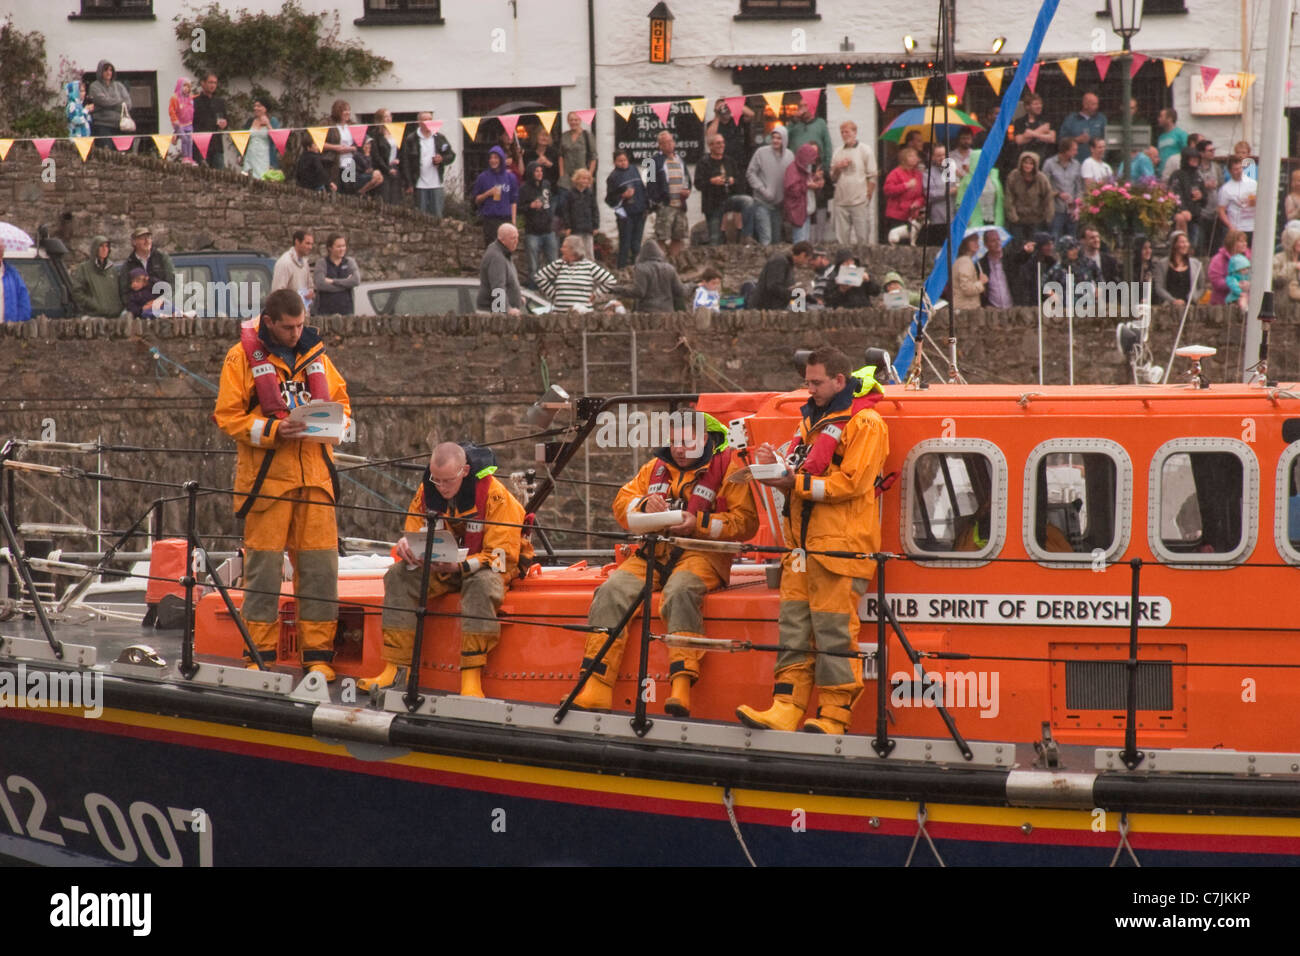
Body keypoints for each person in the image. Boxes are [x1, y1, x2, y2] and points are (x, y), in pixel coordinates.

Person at [736, 350, 889, 735]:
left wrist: (794, 482)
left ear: (840, 380)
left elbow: (852, 483)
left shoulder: (866, 423)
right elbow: (806, 467)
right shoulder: (814, 422)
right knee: (793, 631)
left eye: (816, 382)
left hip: (839, 550)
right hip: (802, 551)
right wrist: (776, 464)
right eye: (807, 382)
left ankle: (835, 716)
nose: (810, 389)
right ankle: (786, 706)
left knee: (835, 632)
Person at [568, 414, 758, 717]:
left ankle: (681, 687)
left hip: (703, 553)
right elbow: (621, 503)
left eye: (686, 442)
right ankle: (597, 686)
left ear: (705, 440)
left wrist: (699, 522)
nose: (679, 449)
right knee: (611, 591)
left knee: (681, 590)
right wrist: (645, 504)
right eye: (674, 441)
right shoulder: (654, 469)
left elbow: (745, 523)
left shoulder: (730, 469)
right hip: (655, 551)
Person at [212, 288, 351, 679]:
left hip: (316, 481)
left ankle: (318, 655)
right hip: (268, 484)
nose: (295, 333)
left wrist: (336, 424)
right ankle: (260, 656)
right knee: (264, 572)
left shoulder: (317, 356)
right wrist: (275, 429)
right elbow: (228, 417)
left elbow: (343, 403)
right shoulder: (241, 358)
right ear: (269, 323)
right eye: (288, 327)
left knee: (321, 570)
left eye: (300, 325)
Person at [358, 441, 533, 697]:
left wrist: (460, 565)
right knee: (398, 576)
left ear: (464, 471)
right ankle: (396, 670)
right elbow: (413, 528)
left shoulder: (496, 497)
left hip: (485, 565)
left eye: (447, 481)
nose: (441, 487)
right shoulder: (426, 491)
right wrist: (406, 545)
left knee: (482, 586)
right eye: (436, 480)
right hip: (442, 564)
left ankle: (471, 680)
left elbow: (501, 557)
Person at [786, 103, 834, 241]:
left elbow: (828, 146)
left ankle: (818, 240)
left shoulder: (820, 123)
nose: (802, 108)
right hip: (799, 169)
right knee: (803, 207)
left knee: (819, 204)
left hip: (817, 167)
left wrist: (825, 169)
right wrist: (793, 120)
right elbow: (782, 137)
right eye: (800, 106)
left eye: (805, 105)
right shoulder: (794, 125)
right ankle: (806, 241)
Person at [534, 235, 616, 311]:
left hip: (583, 315)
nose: (561, 249)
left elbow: (610, 280)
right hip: (560, 315)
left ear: (573, 250)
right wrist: (554, 295)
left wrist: (595, 295)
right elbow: (539, 277)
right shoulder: (559, 264)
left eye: (564, 247)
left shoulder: (589, 266)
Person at [401, 112, 456, 219]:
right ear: (419, 122)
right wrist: (408, 183)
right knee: (420, 218)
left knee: (437, 217)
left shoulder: (439, 137)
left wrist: (442, 159)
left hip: (436, 184)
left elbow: (451, 155)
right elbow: (405, 163)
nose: (428, 122)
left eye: (430, 119)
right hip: (419, 184)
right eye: (425, 120)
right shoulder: (411, 139)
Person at [829, 121, 876, 245]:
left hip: (859, 200)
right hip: (841, 201)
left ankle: (864, 262)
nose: (844, 135)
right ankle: (844, 263)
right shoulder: (838, 152)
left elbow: (872, 176)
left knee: (862, 237)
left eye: (847, 132)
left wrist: (868, 195)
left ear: (855, 132)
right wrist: (838, 167)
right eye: (842, 132)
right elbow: (833, 178)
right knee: (842, 239)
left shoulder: (865, 150)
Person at [647, 131, 692, 258]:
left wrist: (687, 190)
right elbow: (649, 185)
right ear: (660, 145)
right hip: (665, 205)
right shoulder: (651, 161)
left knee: (678, 236)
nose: (669, 145)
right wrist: (658, 202)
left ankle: (674, 262)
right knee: (662, 236)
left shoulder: (680, 159)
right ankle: (661, 262)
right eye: (665, 143)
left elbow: (687, 178)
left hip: (680, 205)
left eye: (671, 141)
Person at [747, 124, 793, 246]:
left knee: (777, 240)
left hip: (779, 205)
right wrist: (762, 189)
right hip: (762, 202)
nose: (775, 141)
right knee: (766, 238)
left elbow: (792, 178)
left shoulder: (790, 156)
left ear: (785, 140)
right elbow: (750, 173)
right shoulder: (761, 152)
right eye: (773, 137)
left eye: (779, 138)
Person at [610, 239, 687, 313]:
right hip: (667, 313)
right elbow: (680, 291)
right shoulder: (670, 268)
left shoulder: (641, 269)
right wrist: (693, 286)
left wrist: (617, 289)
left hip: (647, 313)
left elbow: (639, 292)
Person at [605, 149, 648, 268]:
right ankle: (622, 269)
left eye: (624, 160)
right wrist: (622, 196)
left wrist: (646, 207)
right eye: (619, 161)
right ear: (615, 162)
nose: (623, 163)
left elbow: (642, 189)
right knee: (625, 244)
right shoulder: (613, 177)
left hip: (639, 212)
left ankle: (637, 268)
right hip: (625, 214)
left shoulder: (634, 169)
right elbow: (609, 200)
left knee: (637, 244)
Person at [696, 133, 740, 247]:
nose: (722, 145)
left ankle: (746, 236)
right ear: (710, 146)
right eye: (718, 143)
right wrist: (711, 181)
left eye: (723, 142)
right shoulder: (704, 162)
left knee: (748, 202)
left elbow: (740, 180)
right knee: (715, 238)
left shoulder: (729, 161)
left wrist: (732, 180)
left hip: (729, 199)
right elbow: (698, 184)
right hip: (713, 203)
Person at [520, 160, 559, 286]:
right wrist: (530, 206)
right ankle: (533, 288)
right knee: (533, 264)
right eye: (537, 171)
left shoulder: (546, 185)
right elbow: (519, 207)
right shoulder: (524, 188)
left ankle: (553, 288)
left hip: (548, 229)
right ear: (531, 172)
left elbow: (551, 201)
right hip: (532, 231)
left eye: (541, 171)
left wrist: (551, 217)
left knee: (553, 262)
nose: (539, 173)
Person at [744, 240, 814, 310]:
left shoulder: (788, 265)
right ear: (802, 254)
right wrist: (795, 295)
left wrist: (804, 296)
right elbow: (773, 286)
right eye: (807, 259)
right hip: (764, 308)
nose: (806, 263)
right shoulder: (779, 261)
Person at [117, 226, 175, 307]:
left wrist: (160, 301)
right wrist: (139, 307)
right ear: (134, 242)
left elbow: (172, 284)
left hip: (162, 306)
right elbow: (124, 293)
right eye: (142, 238)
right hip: (138, 310)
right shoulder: (128, 265)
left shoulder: (162, 259)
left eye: (149, 238)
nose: (147, 241)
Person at [473, 145, 520, 245]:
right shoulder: (483, 177)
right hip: (490, 219)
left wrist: (513, 222)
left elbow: (513, 201)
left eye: (496, 157)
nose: (493, 160)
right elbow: (476, 200)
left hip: (506, 218)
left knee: (507, 250)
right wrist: (487, 193)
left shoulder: (510, 177)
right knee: (492, 250)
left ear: (501, 159)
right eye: (491, 158)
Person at [1004, 151, 1054, 244]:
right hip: (1018, 219)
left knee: (1034, 245)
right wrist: (1013, 217)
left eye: (1031, 163)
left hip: (1036, 219)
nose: (1028, 165)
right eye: (1025, 162)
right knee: (1018, 246)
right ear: (1020, 163)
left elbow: (1048, 198)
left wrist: (1048, 217)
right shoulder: (1013, 176)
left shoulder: (1041, 178)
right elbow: (1009, 197)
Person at [70, 235, 124, 318]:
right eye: (101, 246)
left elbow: (120, 290)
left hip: (114, 316)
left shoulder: (112, 269)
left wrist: (119, 306)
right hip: (94, 317)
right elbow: (77, 292)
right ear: (95, 248)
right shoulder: (84, 268)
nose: (104, 249)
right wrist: (93, 304)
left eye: (106, 246)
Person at [476, 223, 523, 315]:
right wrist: (507, 309)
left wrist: (516, 297)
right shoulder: (496, 257)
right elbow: (498, 287)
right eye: (513, 238)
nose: (516, 241)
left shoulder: (504, 253)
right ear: (502, 239)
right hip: (491, 314)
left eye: (517, 238)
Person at [783, 143, 824, 244]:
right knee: (800, 241)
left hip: (806, 211)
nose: (813, 162)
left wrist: (815, 179)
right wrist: (808, 186)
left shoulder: (804, 168)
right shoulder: (792, 169)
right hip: (798, 212)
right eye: (811, 158)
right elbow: (793, 189)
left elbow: (803, 181)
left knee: (805, 241)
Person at [1042, 138, 1081, 238]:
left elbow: (1079, 186)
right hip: (1055, 208)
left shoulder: (1076, 164)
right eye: (1074, 150)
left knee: (1072, 238)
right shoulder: (1049, 164)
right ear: (1066, 150)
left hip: (1071, 208)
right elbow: (1044, 186)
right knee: (1054, 237)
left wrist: (1077, 206)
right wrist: (1058, 194)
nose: (1076, 152)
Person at [1169, 147, 1207, 250]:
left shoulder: (1198, 177)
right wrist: (1183, 209)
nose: (1195, 162)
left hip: (1196, 218)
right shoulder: (1177, 175)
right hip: (1182, 218)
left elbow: (1205, 200)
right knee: (1181, 246)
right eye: (1192, 159)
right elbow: (1175, 194)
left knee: (1194, 248)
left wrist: (1201, 196)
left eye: (1197, 159)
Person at [88, 60, 131, 149]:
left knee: (122, 155)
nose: (109, 72)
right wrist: (120, 101)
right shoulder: (95, 86)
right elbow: (103, 101)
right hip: (103, 126)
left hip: (120, 126)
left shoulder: (119, 86)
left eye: (111, 70)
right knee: (106, 154)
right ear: (100, 71)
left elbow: (128, 104)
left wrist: (109, 104)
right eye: (106, 70)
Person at [312, 234, 359, 316]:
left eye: (343, 246)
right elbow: (320, 284)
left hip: (347, 312)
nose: (342, 249)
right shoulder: (322, 263)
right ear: (330, 248)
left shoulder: (349, 262)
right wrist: (346, 285)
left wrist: (333, 281)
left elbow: (356, 281)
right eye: (338, 246)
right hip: (324, 312)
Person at [1153, 230, 1203, 308]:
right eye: (1182, 242)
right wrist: (1173, 300)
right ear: (1174, 245)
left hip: (1190, 307)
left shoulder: (1196, 264)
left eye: (1186, 242)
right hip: (1169, 307)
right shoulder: (1162, 264)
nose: (1185, 245)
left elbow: (1201, 287)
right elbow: (1159, 287)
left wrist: (1193, 297)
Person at [558, 168, 600, 260]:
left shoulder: (590, 194)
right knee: (576, 252)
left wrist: (596, 226)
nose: (585, 181)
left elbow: (595, 210)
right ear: (577, 179)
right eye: (583, 178)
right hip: (575, 228)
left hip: (588, 228)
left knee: (589, 252)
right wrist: (567, 226)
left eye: (587, 179)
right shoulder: (570, 194)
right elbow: (566, 211)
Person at [920, 144, 957, 246]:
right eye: (938, 155)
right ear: (932, 157)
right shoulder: (928, 174)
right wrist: (948, 192)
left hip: (953, 216)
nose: (942, 158)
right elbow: (929, 194)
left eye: (944, 155)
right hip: (938, 219)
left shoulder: (952, 171)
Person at [883, 146, 925, 235]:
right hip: (896, 215)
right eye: (911, 156)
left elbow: (922, 195)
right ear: (903, 159)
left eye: (915, 156)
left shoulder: (918, 174)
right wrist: (906, 186)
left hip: (912, 215)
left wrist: (918, 202)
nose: (915, 158)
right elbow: (888, 190)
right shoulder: (895, 173)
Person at [272, 229, 315, 312]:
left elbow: (310, 286)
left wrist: (310, 293)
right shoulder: (285, 263)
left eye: (311, 244)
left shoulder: (304, 263)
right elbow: (277, 293)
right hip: (288, 314)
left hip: (302, 313)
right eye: (307, 243)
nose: (310, 247)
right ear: (297, 242)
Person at [1217, 155, 1257, 245]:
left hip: (1253, 227)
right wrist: (1230, 226)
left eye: (1240, 168)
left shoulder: (1253, 183)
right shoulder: (1225, 189)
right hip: (1237, 228)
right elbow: (1221, 210)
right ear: (1230, 171)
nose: (1239, 171)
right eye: (1235, 169)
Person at [192, 73, 228, 170]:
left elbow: (225, 120)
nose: (213, 85)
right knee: (202, 176)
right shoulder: (194, 102)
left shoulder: (220, 102)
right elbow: (191, 122)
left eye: (215, 83)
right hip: (200, 145)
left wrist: (224, 124)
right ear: (203, 83)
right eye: (210, 82)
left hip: (217, 145)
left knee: (220, 176)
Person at [557, 111, 597, 194]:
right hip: (567, 178)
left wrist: (589, 176)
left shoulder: (587, 135)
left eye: (576, 120)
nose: (573, 122)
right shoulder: (564, 136)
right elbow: (561, 156)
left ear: (580, 121)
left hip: (582, 177)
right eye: (571, 120)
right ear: (568, 121)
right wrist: (562, 175)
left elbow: (593, 157)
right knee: (565, 203)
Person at [369, 108, 403, 204]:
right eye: (385, 117)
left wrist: (398, 159)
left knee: (396, 199)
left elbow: (400, 150)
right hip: (382, 170)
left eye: (390, 116)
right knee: (384, 198)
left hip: (394, 168)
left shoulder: (395, 132)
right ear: (380, 119)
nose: (389, 119)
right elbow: (376, 156)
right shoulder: (375, 134)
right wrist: (387, 169)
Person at [1010, 93, 1056, 164]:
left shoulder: (1046, 120)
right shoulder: (1019, 121)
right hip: (1025, 160)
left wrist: (1031, 134)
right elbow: (1019, 140)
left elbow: (1051, 138)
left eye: (1040, 104)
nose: (1039, 106)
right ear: (1027, 106)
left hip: (1042, 159)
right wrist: (1041, 131)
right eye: (1036, 104)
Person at [1014, 232, 1057, 307]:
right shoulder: (1029, 264)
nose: (1050, 247)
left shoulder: (1051, 262)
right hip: (1031, 303)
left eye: (1051, 244)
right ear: (1039, 246)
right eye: (1047, 245)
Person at [1208, 229, 1248, 306]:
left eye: (1245, 241)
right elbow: (1216, 281)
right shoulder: (1218, 259)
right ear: (1232, 243)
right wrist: (1236, 285)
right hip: (1221, 304)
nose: (1245, 244)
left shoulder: (1248, 258)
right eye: (1241, 241)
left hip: (1244, 301)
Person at [977, 230, 1015, 309]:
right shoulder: (981, 265)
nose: (997, 243)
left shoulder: (1009, 259)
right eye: (993, 241)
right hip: (993, 312)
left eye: (998, 239)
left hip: (1012, 309)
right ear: (986, 244)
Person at [241, 97, 276, 180]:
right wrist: (240, 154)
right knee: (248, 177)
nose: (256, 108)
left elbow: (276, 139)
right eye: (255, 106)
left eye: (259, 106)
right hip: (250, 154)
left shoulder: (272, 121)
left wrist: (268, 124)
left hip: (265, 156)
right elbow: (243, 138)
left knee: (263, 178)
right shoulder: (250, 121)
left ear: (265, 108)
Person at [952, 233, 987, 310]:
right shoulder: (965, 261)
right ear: (965, 242)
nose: (977, 243)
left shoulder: (965, 260)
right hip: (966, 309)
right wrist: (981, 282)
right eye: (973, 240)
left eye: (977, 240)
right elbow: (967, 289)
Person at [0, 246, 33, 323]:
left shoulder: (12, 274)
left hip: (8, 329)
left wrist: (17, 325)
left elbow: (24, 302)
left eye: (1, 252)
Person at [168, 78, 196, 165]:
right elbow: (171, 110)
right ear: (179, 86)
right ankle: (185, 157)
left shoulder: (190, 98)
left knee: (190, 140)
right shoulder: (175, 98)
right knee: (184, 139)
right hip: (179, 124)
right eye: (184, 86)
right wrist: (175, 120)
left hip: (189, 124)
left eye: (188, 86)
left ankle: (190, 158)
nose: (186, 88)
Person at [1273, 221, 1300, 302]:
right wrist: (1293, 266)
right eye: (1297, 240)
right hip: (1283, 300)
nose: (1299, 243)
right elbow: (1276, 279)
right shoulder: (1278, 258)